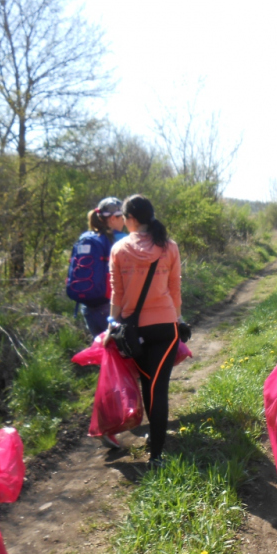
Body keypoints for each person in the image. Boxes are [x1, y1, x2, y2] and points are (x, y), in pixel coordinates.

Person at [102, 195, 182, 466]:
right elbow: (174, 290)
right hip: (164, 327)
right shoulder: (169, 246)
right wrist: (178, 319)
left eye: (124, 217)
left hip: (132, 331)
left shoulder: (119, 249)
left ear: (132, 219)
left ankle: (155, 442)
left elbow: (117, 294)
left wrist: (111, 328)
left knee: (149, 385)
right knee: (157, 388)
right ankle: (157, 452)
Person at [75, 197, 128, 337]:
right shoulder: (122, 240)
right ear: (112, 219)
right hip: (111, 307)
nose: (124, 221)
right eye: (122, 217)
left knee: (103, 351)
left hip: (88, 307)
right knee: (124, 353)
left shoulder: (85, 237)